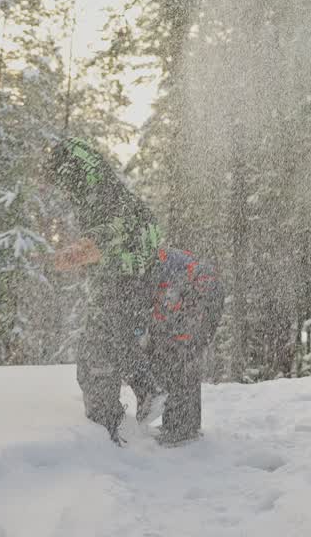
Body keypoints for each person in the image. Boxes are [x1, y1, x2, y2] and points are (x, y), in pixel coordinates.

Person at [46, 137, 224, 446]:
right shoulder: (135, 261)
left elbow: (111, 231)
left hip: (200, 291)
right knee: (155, 349)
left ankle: (180, 432)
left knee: (173, 354)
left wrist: (81, 252)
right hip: (183, 294)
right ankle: (175, 426)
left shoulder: (137, 257)